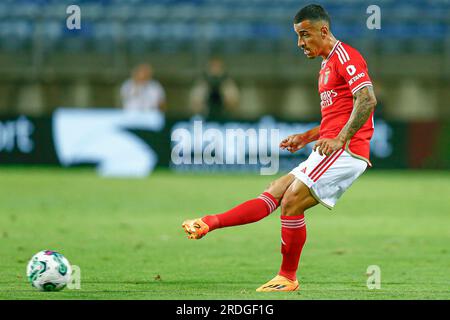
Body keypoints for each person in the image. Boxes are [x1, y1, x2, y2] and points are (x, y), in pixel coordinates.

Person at [182, 4, 377, 292]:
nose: (300, 43)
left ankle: (287, 277)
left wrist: (341, 139)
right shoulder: (325, 66)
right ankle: (209, 222)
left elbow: (368, 99)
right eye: (298, 36)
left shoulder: (345, 56)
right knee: (277, 190)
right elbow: (337, 117)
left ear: (323, 31)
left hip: (346, 151)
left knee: (292, 201)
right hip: (331, 147)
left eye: (305, 35)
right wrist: (307, 136)